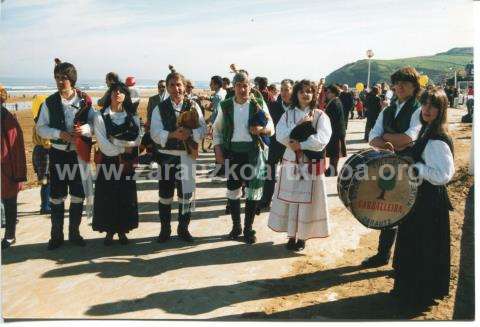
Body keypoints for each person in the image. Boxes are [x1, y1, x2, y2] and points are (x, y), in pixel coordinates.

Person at [391, 87, 454, 309]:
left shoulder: (437, 139)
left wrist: (416, 166)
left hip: (429, 204)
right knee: (414, 246)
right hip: (420, 200)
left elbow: (444, 175)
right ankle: (410, 290)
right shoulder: (427, 130)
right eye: (425, 104)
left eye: (433, 106)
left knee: (423, 248)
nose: (427, 109)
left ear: (441, 110)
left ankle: (419, 296)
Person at [363, 66, 422, 267]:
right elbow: (372, 137)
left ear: (415, 86)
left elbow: (409, 138)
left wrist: (385, 137)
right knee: (388, 210)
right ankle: (382, 255)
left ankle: (405, 261)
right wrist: (391, 141)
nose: (400, 87)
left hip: (411, 166)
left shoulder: (419, 109)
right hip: (388, 166)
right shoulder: (387, 110)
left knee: (409, 214)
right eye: (397, 83)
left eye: (405, 83)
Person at [36, 60, 95, 250]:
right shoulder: (49, 102)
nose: (60, 82)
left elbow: (96, 124)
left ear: (72, 79)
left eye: (64, 78)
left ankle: (74, 233)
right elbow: (41, 128)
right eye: (57, 78)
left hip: (79, 155)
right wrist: (59, 134)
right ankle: (56, 235)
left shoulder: (85, 100)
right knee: (57, 196)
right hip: (58, 154)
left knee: (78, 194)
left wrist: (84, 129)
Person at [268, 79, 332, 251]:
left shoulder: (319, 115)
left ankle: (302, 237)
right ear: (296, 94)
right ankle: (291, 235)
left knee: (305, 203)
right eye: (302, 91)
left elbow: (323, 139)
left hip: (310, 164)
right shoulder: (288, 115)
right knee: (292, 200)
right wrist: (296, 129)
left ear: (313, 94)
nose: (306, 94)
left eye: (309, 91)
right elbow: (280, 135)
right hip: (291, 162)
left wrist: (301, 145)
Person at [213, 71, 274, 244]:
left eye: (245, 85)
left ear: (250, 87)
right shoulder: (225, 106)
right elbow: (217, 130)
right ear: (234, 87)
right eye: (239, 85)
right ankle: (236, 227)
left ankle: (248, 229)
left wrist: (262, 130)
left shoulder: (258, 103)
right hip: (232, 153)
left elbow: (271, 126)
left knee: (253, 191)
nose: (242, 89)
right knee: (233, 190)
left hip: (253, 152)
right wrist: (218, 151)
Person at [150, 69, 207, 243]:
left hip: (186, 156)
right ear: (167, 88)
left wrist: (190, 132)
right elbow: (154, 132)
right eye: (172, 85)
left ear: (184, 86)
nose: (176, 88)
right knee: (165, 195)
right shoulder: (159, 108)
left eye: (179, 84)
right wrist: (174, 134)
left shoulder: (193, 105)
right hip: (166, 156)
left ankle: (183, 229)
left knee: (186, 195)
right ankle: (165, 230)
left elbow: (203, 129)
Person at [92, 82, 141, 245]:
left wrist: (118, 143)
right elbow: (103, 145)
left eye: (121, 91)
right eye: (114, 91)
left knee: (125, 197)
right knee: (107, 197)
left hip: (127, 165)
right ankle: (109, 231)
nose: (117, 93)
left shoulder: (132, 116)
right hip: (107, 164)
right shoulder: (100, 116)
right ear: (109, 94)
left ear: (126, 95)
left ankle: (122, 231)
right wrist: (123, 148)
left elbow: (138, 140)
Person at [258, 79, 293, 212]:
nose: (284, 92)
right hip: (275, 144)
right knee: (270, 173)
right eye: (282, 90)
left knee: (290, 174)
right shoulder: (272, 105)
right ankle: (266, 200)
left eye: (287, 89)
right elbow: (265, 122)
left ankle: (289, 201)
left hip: (291, 146)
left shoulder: (297, 107)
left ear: (292, 90)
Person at [1, 85, 27, 249]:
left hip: (6, 170)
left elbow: (16, 147)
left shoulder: (7, 118)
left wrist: (18, 173)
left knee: (9, 203)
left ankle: (10, 235)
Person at [142, 80, 168, 169]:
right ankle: (154, 160)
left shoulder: (170, 99)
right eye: (159, 87)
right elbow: (149, 114)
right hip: (155, 126)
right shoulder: (152, 99)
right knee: (154, 144)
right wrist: (148, 125)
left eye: (163, 87)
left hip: (166, 127)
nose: (161, 88)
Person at [32, 102, 52, 214]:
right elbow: (47, 143)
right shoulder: (44, 124)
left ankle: (45, 204)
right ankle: (45, 206)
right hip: (44, 153)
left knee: (44, 180)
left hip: (37, 151)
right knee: (46, 181)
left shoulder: (36, 123)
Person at [324, 84, 346, 176]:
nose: (327, 94)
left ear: (333, 93)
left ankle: (333, 171)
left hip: (336, 131)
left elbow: (332, 118)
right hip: (336, 131)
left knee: (335, 153)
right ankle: (332, 169)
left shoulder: (335, 103)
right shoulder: (334, 101)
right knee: (334, 152)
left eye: (328, 92)